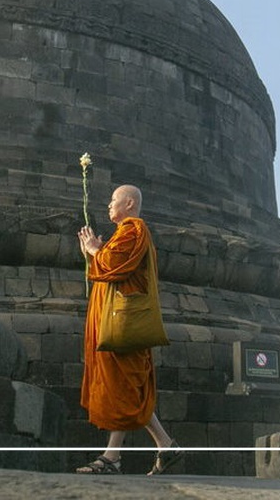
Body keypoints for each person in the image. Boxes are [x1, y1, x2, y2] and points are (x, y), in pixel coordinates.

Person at [75, 184, 183, 475]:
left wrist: (96, 249)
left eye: (114, 200)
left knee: (124, 386)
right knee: (126, 388)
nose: (109, 205)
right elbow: (108, 270)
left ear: (130, 203)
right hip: (113, 324)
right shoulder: (123, 233)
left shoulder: (133, 230)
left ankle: (113, 457)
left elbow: (113, 266)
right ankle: (164, 445)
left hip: (122, 326)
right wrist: (93, 252)